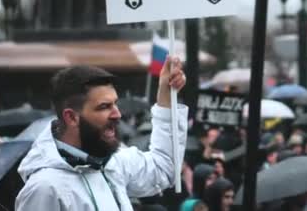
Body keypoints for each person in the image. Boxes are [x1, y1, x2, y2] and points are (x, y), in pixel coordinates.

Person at [16, 57, 188, 210]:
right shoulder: (44, 189)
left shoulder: (113, 161)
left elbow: (164, 168)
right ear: (71, 117)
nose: (117, 114)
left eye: (115, 103)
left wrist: (166, 96)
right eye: (104, 107)